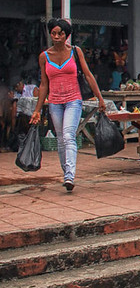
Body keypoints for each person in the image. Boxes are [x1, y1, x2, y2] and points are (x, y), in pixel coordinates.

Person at [30, 18, 106, 192]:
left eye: (60, 33)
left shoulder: (75, 52)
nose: (56, 36)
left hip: (73, 100)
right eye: (54, 33)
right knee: (60, 139)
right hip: (55, 102)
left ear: (67, 36)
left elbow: (88, 75)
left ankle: (70, 175)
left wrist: (99, 98)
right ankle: (67, 173)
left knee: (68, 135)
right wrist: (37, 110)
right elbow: (43, 84)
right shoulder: (44, 56)